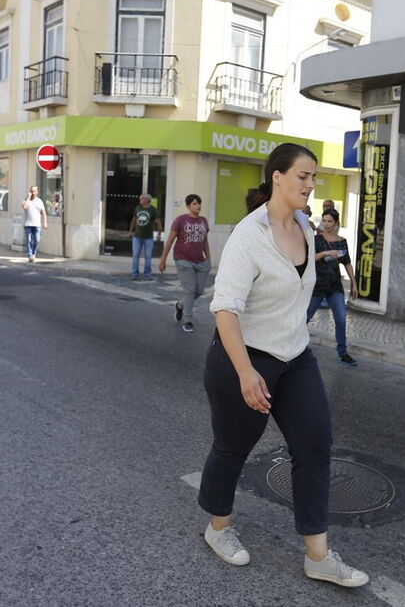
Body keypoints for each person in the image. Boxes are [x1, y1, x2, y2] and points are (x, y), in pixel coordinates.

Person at [197, 143, 369, 588]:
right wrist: (245, 372)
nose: (311, 185)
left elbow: (296, 283)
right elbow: (225, 309)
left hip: (295, 357)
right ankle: (218, 527)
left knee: (314, 446)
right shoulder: (248, 236)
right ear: (277, 177)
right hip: (245, 358)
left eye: (314, 178)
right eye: (303, 176)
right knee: (233, 448)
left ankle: (319, 555)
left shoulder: (306, 228)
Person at [307, 208, 359, 366]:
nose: (326, 224)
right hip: (317, 285)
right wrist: (325, 253)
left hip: (335, 286)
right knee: (305, 318)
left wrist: (354, 283)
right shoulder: (317, 239)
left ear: (336, 223)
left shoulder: (342, 241)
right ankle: (296, 348)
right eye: (324, 221)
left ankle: (343, 353)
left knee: (341, 319)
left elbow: (347, 263)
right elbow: (310, 258)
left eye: (330, 221)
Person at [158, 194, 211, 333]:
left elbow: (205, 241)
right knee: (189, 290)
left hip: (200, 261)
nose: (198, 206)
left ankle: (180, 305)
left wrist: (209, 259)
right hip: (183, 259)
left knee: (198, 291)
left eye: (199, 203)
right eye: (194, 204)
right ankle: (188, 320)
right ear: (188, 206)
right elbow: (170, 240)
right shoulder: (180, 220)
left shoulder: (204, 221)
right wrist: (163, 259)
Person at [128, 193, 162, 280]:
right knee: (135, 255)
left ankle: (148, 274)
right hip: (137, 236)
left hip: (148, 237)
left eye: (142, 199)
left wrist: (159, 234)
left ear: (147, 200)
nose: (140, 200)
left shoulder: (153, 210)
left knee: (148, 256)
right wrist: (130, 231)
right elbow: (134, 220)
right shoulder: (138, 208)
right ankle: (135, 274)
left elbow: (158, 222)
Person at [21, 185, 47, 262]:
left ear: (37, 192)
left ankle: (34, 253)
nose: (33, 193)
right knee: (28, 240)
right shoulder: (26, 200)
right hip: (28, 224)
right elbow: (24, 207)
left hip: (37, 224)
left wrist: (45, 222)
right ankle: (30, 255)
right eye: (32, 191)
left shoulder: (40, 201)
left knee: (37, 240)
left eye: (34, 191)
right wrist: (28, 198)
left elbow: (43, 212)